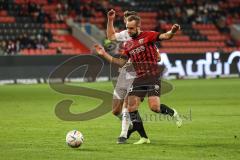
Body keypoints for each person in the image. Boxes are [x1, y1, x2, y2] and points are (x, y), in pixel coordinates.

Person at [95, 14, 182, 144]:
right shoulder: (128, 44)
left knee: (154, 107)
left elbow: (166, 36)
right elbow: (121, 63)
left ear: (138, 27)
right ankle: (144, 137)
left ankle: (172, 112)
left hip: (152, 75)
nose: (128, 31)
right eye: (127, 28)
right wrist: (104, 54)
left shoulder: (149, 35)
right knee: (131, 108)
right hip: (138, 77)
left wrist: (173, 31)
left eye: (131, 28)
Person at [107, 9, 150, 144]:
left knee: (127, 102)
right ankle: (130, 124)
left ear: (136, 24)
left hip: (138, 74)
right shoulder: (125, 34)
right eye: (125, 20)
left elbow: (158, 56)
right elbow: (111, 37)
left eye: (127, 20)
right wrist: (110, 20)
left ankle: (123, 134)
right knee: (115, 110)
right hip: (124, 73)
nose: (125, 22)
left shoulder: (145, 37)